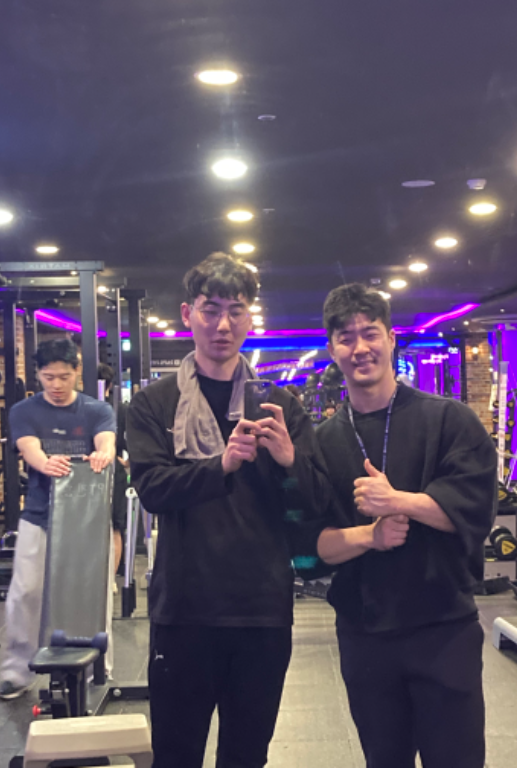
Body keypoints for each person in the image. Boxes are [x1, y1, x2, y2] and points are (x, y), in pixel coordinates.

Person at [127, 252, 329, 768]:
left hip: (261, 610)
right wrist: (221, 464)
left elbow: (313, 502)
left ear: (249, 317)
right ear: (187, 314)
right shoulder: (155, 403)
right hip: (184, 609)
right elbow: (152, 489)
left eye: (235, 310)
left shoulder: (280, 404)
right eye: (210, 309)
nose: (222, 324)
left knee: (246, 755)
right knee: (176, 755)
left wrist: (289, 459)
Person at [315, 284, 497, 768]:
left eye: (370, 333)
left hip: (444, 626)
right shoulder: (323, 443)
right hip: (365, 634)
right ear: (332, 349)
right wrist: (371, 536)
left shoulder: (450, 420)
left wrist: (401, 502)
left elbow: (476, 512)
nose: (360, 348)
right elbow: (314, 548)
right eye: (346, 338)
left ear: (391, 338)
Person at [0, 339, 116, 700]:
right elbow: (29, 448)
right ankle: (17, 671)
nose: (57, 385)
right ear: (38, 374)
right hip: (39, 513)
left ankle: (99, 665)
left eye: (64, 377)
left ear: (77, 372)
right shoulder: (24, 410)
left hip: (87, 518)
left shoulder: (97, 409)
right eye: (49, 377)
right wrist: (44, 462)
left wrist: (103, 454)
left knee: (92, 593)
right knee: (26, 591)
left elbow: (107, 441)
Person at [98, 362, 129, 579]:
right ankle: (109, 581)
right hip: (111, 470)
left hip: (93, 471)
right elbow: (133, 445)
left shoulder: (118, 410)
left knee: (113, 526)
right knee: (115, 527)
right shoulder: (121, 409)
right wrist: (126, 463)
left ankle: (105, 580)